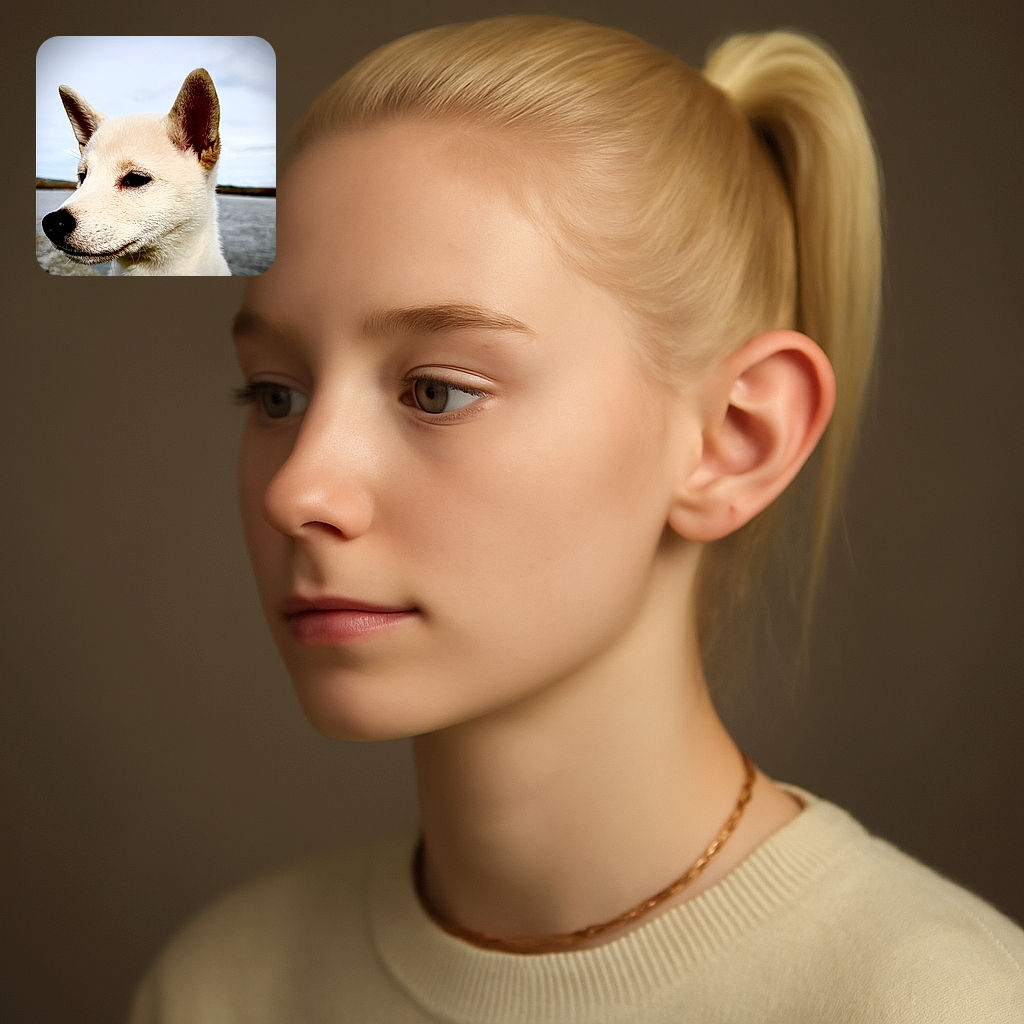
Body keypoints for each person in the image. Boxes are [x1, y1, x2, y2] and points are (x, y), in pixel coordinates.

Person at [128, 15, 1024, 1022]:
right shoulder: (221, 989)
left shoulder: (941, 1001)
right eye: (275, 395)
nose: (298, 491)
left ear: (737, 438)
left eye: (434, 391)